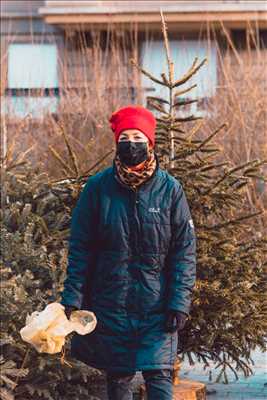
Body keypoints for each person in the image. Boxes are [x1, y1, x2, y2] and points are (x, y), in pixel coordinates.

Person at [60, 105, 197, 400]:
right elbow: (81, 248)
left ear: (150, 143)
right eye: (125, 136)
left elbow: (184, 251)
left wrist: (179, 302)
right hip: (112, 305)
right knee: (119, 381)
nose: (131, 143)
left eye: (138, 136)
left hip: (157, 308)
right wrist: (72, 296)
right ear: (117, 142)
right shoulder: (98, 189)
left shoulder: (170, 191)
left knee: (160, 379)